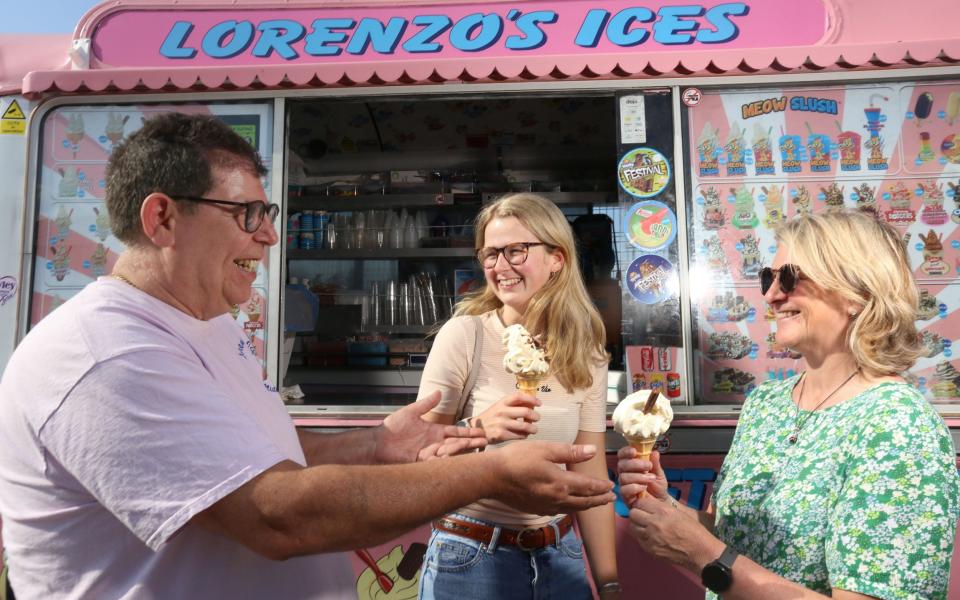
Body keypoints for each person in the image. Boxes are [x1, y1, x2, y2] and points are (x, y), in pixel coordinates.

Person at [0, 113, 616, 599]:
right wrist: (492, 470)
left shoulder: (208, 325)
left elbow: (249, 456)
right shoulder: (104, 354)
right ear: (162, 218)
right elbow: (276, 518)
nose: (269, 234)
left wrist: (372, 447)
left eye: (266, 214)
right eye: (248, 214)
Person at [618, 208, 960, 599]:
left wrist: (704, 556)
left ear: (856, 293)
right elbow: (736, 540)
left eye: (790, 278)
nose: (771, 294)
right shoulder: (768, 403)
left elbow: (718, 557)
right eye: (768, 277)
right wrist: (670, 512)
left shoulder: (899, 427)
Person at [418, 193, 620, 599]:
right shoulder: (466, 336)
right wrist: (476, 428)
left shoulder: (588, 349)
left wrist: (609, 582)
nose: (500, 266)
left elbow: (590, 473)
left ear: (556, 258)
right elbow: (414, 456)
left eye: (516, 250)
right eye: (490, 254)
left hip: (560, 555)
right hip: (471, 554)